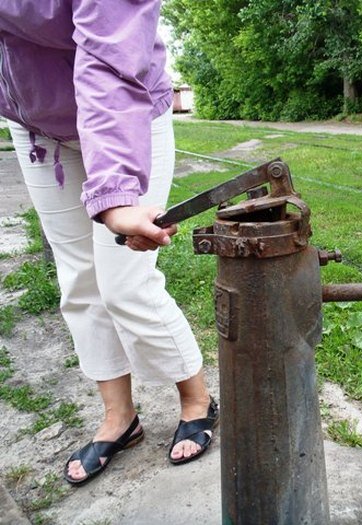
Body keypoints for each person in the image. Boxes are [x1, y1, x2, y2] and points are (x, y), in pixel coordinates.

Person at [0, 1, 218, 485]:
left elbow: (111, 60)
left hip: (127, 107)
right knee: (78, 279)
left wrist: (114, 192)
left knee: (125, 282)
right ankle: (121, 419)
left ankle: (197, 398)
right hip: (35, 124)